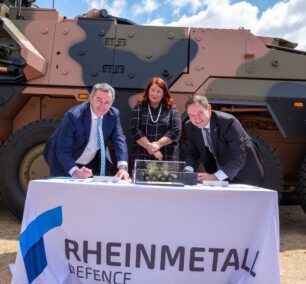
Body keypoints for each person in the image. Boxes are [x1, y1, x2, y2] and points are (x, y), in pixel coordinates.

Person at [44, 83, 129, 179]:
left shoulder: (113, 115)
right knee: (63, 190)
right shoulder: (74, 116)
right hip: (62, 158)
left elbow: (119, 140)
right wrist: (75, 171)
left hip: (88, 160)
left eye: (107, 102)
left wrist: (123, 167)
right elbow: (63, 150)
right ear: (91, 99)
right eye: (99, 100)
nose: (102, 106)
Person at [184, 95, 264, 186]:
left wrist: (216, 177)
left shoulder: (228, 122)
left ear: (209, 108)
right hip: (217, 170)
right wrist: (188, 171)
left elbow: (239, 157)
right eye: (191, 115)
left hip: (244, 171)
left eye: (200, 113)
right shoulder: (190, 126)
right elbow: (192, 153)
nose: (196, 119)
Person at [129, 77, 181, 165]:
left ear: (164, 93)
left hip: (167, 157)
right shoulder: (139, 107)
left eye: (158, 91)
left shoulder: (172, 109)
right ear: (148, 91)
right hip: (141, 156)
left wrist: (158, 144)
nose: (155, 94)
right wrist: (151, 148)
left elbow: (176, 130)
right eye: (152, 90)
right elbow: (134, 130)